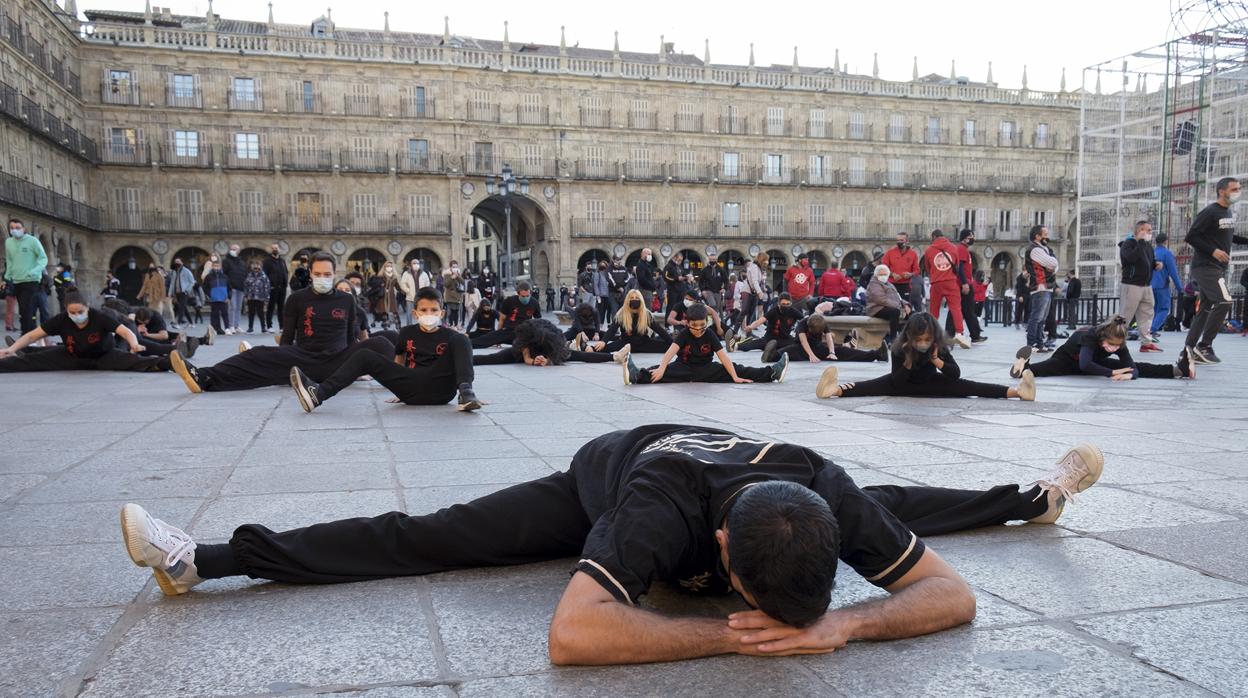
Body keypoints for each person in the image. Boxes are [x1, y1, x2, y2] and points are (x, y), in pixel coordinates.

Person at [167, 253, 394, 394]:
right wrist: (279, 358)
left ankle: (410, 380)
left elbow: (348, 337)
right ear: (311, 274)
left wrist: (357, 368)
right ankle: (203, 377)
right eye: (318, 273)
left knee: (383, 341)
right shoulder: (297, 299)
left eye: (327, 274)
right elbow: (287, 336)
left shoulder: (346, 300)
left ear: (334, 274)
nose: (322, 277)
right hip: (304, 356)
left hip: (337, 360)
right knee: (256, 357)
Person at [291, 287, 481, 413]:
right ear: (415, 313)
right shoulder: (406, 332)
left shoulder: (449, 336)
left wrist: (465, 383)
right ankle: (318, 394)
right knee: (365, 355)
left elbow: (460, 362)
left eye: (433, 310)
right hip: (411, 389)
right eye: (424, 310)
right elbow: (398, 361)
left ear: (442, 313)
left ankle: (466, 392)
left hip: (441, 390)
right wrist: (397, 387)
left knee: (461, 339)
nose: (428, 315)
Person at [815, 312, 1035, 400]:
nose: (922, 344)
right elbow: (897, 380)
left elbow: (955, 374)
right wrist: (909, 361)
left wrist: (937, 360)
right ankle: (832, 389)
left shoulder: (938, 346)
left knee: (972, 387)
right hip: (902, 384)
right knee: (867, 386)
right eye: (918, 340)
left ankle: (1019, 392)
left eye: (926, 340)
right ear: (909, 337)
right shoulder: (900, 349)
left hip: (932, 383)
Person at [0, 292, 169, 373]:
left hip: (104, 356)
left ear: (87, 308)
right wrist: (12, 349)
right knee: (29, 361)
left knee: (137, 362)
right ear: (66, 310)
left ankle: (169, 363)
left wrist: (134, 344)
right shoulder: (61, 320)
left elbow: (124, 331)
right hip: (72, 356)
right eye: (72, 312)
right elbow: (33, 335)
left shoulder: (100, 317)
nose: (76, 316)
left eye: (80, 311)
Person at [624, 304, 788, 385]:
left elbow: (723, 357)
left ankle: (772, 373)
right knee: (659, 372)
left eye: (701, 325)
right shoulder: (684, 334)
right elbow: (670, 352)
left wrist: (735, 377)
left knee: (738, 369)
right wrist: (661, 368)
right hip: (683, 367)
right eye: (694, 326)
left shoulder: (709, 333)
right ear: (687, 323)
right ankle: (635, 375)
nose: (698, 329)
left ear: (706, 322)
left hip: (707, 369)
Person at [1010, 316, 1195, 381]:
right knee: (1043, 370)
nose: (1114, 348)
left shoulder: (1119, 344)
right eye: (1111, 344)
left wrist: (1131, 374)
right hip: (1067, 359)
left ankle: (1177, 370)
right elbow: (1085, 364)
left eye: (1117, 345)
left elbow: (1130, 366)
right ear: (1103, 338)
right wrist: (1112, 372)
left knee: (1140, 366)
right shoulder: (1090, 336)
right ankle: (1022, 367)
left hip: (1094, 362)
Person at [1184, 176, 1247, 364]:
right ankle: (1205, 346)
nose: (1238, 192)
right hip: (1206, 266)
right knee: (1225, 301)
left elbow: (1229, 236)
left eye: (1239, 189)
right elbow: (1191, 236)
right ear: (1222, 191)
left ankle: (1189, 349)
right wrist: (1213, 251)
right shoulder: (1210, 212)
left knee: (1205, 308)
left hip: (1217, 268)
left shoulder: (1227, 213)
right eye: (1234, 189)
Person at [474, 318, 614, 366]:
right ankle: (457, 357)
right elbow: (524, 353)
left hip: (550, 350)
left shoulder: (553, 339)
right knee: (492, 358)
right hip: (525, 349)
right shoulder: (527, 334)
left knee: (579, 355)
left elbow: (558, 355)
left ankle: (615, 356)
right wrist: (531, 360)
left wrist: (547, 360)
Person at [921, 230, 971, 349]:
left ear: (934, 237)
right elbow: (957, 266)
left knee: (934, 310)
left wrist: (935, 275)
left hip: (936, 283)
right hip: (950, 282)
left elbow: (928, 268)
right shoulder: (953, 248)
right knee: (955, 308)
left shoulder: (929, 250)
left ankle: (932, 334)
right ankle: (959, 333)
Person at [1118, 221, 1160, 353]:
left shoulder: (1148, 246)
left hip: (1146, 285)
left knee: (1147, 314)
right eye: (1147, 230)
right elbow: (1130, 258)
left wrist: (1155, 265)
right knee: (1125, 314)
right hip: (1132, 284)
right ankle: (1117, 340)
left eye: (1150, 231)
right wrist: (1140, 242)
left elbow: (1150, 261)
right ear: (1139, 230)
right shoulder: (1128, 244)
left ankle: (1146, 342)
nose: (1150, 233)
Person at [4, 218, 48, 338]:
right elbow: (9, 259)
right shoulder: (8, 242)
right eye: (12, 228)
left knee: (27, 309)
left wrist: (34, 271)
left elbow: (43, 258)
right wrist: (7, 276)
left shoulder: (33, 241)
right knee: (23, 311)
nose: (14, 230)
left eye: (17, 228)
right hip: (16, 280)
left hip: (31, 281)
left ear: (24, 229)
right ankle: (28, 335)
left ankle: (28, 336)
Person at [784, 313, 889, 364]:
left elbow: (829, 338)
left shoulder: (822, 321)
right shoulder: (802, 324)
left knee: (843, 352)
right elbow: (803, 340)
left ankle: (877, 354)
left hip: (818, 347)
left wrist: (832, 352)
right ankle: (771, 354)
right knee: (786, 352)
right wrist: (811, 355)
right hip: (801, 348)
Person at [942, 230, 985, 344]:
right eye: (971, 236)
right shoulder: (961, 249)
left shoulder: (964, 249)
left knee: (959, 310)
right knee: (967, 311)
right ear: (965, 238)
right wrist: (964, 283)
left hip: (963, 284)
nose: (973, 238)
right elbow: (960, 268)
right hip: (964, 285)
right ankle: (974, 335)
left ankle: (950, 335)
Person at [470, 281, 542, 348]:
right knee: (487, 339)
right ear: (518, 293)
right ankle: (467, 344)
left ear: (530, 293)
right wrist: (498, 334)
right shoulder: (509, 301)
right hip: (509, 330)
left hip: (523, 332)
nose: (525, 298)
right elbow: (501, 319)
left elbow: (538, 321)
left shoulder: (534, 303)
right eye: (523, 296)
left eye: (527, 296)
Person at [602, 289, 673, 355]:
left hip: (644, 343)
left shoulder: (645, 314)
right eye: (632, 298)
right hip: (625, 344)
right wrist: (603, 341)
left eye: (637, 298)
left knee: (670, 347)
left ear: (641, 300)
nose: (634, 300)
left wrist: (673, 342)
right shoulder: (622, 313)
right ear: (627, 300)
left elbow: (659, 329)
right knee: (602, 348)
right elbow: (612, 330)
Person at [1025, 225, 1060, 353]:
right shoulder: (1035, 250)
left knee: (1042, 318)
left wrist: (1051, 265)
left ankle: (1039, 343)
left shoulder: (1043, 249)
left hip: (1046, 287)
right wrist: (1050, 266)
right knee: (1037, 317)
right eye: (1045, 234)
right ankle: (1032, 343)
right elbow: (1053, 264)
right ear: (1037, 236)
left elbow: (1054, 265)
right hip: (1040, 286)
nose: (1047, 236)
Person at [735, 292, 801, 356]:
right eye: (783, 304)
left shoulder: (793, 311)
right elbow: (761, 320)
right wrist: (751, 327)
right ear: (778, 304)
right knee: (750, 346)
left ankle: (773, 350)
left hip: (785, 339)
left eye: (787, 304)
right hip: (769, 339)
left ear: (791, 303)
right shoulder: (774, 311)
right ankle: (735, 345)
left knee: (797, 343)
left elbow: (805, 320)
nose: (785, 306)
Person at [1149, 234, 1182, 340]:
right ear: (1166, 241)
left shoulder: (1151, 253)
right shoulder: (1167, 254)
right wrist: (1180, 287)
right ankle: (1152, 330)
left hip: (1149, 285)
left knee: (1153, 309)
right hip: (1162, 285)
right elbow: (1173, 272)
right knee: (1163, 309)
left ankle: (1149, 330)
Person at [865, 264, 910, 340]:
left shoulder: (890, 284)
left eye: (885, 274)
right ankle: (893, 338)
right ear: (876, 275)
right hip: (877, 309)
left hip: (890, 307)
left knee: (912, 313)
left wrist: (906, 305)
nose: (883, 276)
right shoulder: (873, 284)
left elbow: (898, 297)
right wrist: (898, 306)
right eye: (881, 274)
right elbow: (880, 299)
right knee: (895, 312)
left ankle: (908, 337)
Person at [881, 232, 920, 305]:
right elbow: (883, 268)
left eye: (901, 240)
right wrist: (892, 274)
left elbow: (917, 270)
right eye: (897, 240)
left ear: (907, 241)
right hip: (892, 285)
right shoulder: (890, 253)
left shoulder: (913, 254)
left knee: (906, 307)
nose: (899, 242)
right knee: (892, 306)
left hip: (906, 285)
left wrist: (910, 274)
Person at [262, 245, 289, 332]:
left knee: (281, 308)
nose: (275, 250)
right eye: (273, 248)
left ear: (279, 250)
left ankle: (282, 326)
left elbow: (285, 271)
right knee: (271, 307)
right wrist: (269, 285)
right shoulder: (267, 261)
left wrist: (285, 283)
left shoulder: (282, 260)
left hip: (282, 288)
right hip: (273, 288)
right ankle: (269, 326)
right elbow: (264, 275)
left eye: (276, 248)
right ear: (271, 250)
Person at [221, 244, 247, 335]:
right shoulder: (226, 261)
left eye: (235, 249)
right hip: (231, 288)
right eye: (232, 248)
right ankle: (231, 325)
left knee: (239, 308)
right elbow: (224, 275)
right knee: (232, 307)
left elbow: (245, 274)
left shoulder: (241, 262)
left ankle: (236, 325)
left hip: (241, 287)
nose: (233, 250)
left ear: (238, 251)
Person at [202, 259, 230, 336]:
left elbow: (229, 287)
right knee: (214, 315)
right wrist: (209, 294)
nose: (216, 267)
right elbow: (205, 287)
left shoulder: (225, 277)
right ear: (212, 267)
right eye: (214, 266)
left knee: (225, 314)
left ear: (220, 267)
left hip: (223, 299)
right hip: (214, 299)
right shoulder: (209, 277)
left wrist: (228, 297)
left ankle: (227, 328)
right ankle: (215, 329)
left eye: (218, 266)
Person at [243, 260, 272, 334]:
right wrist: (246, 296)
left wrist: (267, 297)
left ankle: (263, 328)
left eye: (258, 266)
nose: (256, 268)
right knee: (251, 313)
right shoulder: (249, 275)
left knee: (261, 313)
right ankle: (250, 328)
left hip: (260, 297)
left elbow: (267, 287)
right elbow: (246, 286)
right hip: (251, 297)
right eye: (254, 266)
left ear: (260, 267)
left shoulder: (264, 276)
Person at [168, 258, 195, 327]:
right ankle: (191, 323)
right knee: (184, 308)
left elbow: (192, 281)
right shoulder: (174, 272)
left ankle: (178, 323)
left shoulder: (186, 271)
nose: (177, 263)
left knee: (181, 308)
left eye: (178, 261)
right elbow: (172, 283)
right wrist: (170, 293)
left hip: (184, 292)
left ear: (182, 262)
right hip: (177, 293)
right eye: (175, 262)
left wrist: (187, 290)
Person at [443, 261, 465, 328]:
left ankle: (456, 324)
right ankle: (451, 324)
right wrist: (452, 278)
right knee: (451, 311)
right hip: (450, 296)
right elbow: (446, 284)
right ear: (450, 267)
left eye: (456, 267)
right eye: (453, 267)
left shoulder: (459, 274)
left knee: (456, 311)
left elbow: (463, 282)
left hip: (458, 296)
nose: (455, 268)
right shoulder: (447, 274)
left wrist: (457, 276)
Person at [594, 260, 612, 328]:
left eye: (604, 265)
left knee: (609, 311)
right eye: (601, 265)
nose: (603, 266)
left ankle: (609, 324)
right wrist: (597, 295)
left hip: (609, 295)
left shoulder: (608, 274)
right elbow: (595, 285)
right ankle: (600, 325)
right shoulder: (597, 274)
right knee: (601, 311)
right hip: (601, 296)